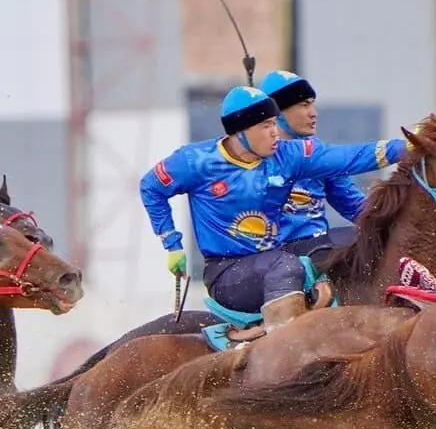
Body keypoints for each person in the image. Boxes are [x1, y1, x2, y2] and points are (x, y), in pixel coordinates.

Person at [140, 85, 409, 331]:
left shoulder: (287, 155)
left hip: (276, 255)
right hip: (227, 272)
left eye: (274, 123)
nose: (274, 132)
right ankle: (287, 352)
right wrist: (172, 244)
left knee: (357, 241)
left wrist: (407, 147)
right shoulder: (194, 160)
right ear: (241, 131)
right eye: (265, 125)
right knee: (285, 267)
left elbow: (349, 157)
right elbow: (151, 187)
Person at [257, 69, 367, 266]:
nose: (313, 113)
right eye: (304, 105)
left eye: (313, 104)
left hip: (317, 248)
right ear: (278, 112)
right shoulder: (252, 156)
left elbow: (354, 205)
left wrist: (395, 222)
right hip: (273, 258)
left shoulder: (318, 153)